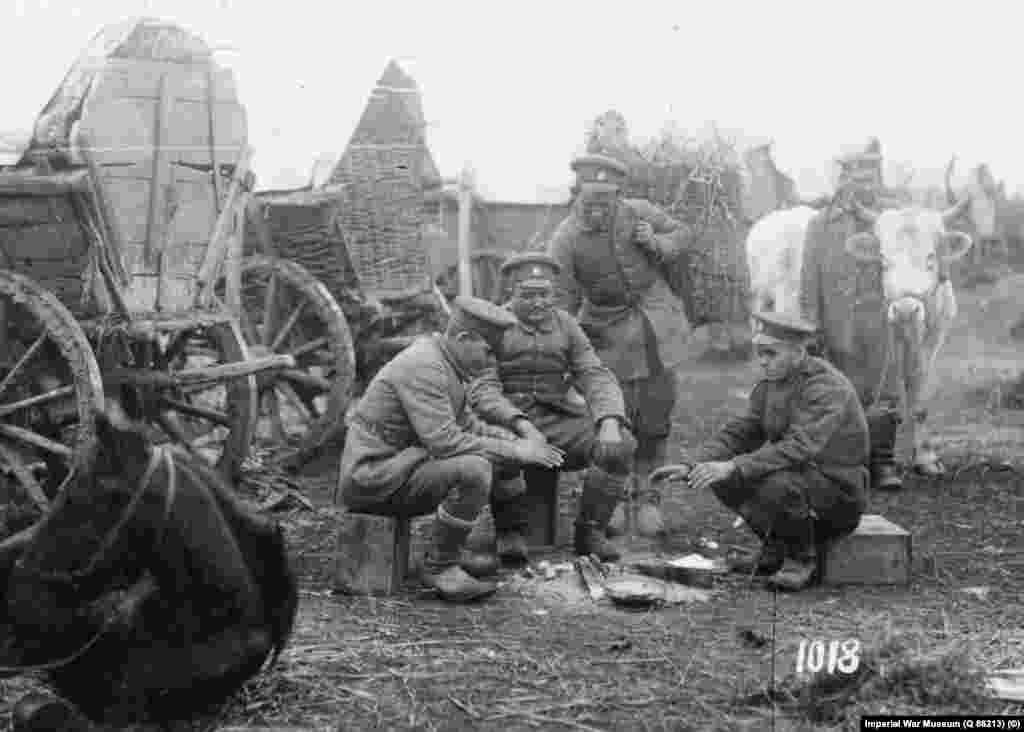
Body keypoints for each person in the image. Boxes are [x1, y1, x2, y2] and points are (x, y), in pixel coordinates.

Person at [338, 296, 564, 603]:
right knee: (475, 468)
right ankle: (440, 566)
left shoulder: (445, 362)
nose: (491, 360)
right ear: (464, 338)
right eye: (487, 350)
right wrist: (515, 451)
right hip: (373, 478)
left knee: (499, 456)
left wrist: (515, 442)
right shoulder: (425, 366)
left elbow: (468, 427)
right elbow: (444, 442)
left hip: (399, 468)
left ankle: (483, 546)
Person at [652, 312, 869, 591]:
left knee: (773, 483)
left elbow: (799, 446)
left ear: (797, 352)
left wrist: (733, 466)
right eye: (760, 353)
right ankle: (775, 550)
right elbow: (742, 432)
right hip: (804, 482)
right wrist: (694, 464)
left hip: (839, 493)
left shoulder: (826, 386)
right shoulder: (771, 385)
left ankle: (800, 558)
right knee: (718, 476)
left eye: (771, 353)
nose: (762, 361)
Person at [547, 153, 698, 537]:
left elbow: (683, 234)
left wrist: (657, 242)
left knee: (656, 414)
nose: (599, 210)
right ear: (578, 195)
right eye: (591, 202)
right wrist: (562, 347)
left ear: (618, 195)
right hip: (606, 331)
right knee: (614, 414)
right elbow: (561, 297)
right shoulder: (565, 238)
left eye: (607, 201)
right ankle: (610, 496)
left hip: (658, 323)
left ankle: (648, 497)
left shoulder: (638, 211)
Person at [468, 253, 636, 563]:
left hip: (557, 419)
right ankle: (510, 531)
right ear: (510, 292)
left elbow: (592, 372)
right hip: (506, 422)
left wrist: (609, 417)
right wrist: (519, 424)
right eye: (527, 295)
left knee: (618, 445)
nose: (537, 303)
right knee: (503, 449)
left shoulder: (566, 325)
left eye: (544, 294)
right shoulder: (494, 325)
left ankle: (590, 531)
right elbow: (483, 390)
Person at [799, 138, 905, 490]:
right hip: (838, 323)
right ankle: (850, 460)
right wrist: (810, 326)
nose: (862, 183)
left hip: (881, 319)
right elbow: (809, 278)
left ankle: (883, 461)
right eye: (854, 175)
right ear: (841, 179)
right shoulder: (821, 225)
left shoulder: (893, 220)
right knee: (841, 390)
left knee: (885, 391)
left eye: (869, 175)